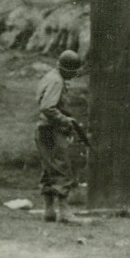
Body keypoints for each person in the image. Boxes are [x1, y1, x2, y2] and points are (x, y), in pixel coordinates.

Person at [36, 49, 91, 223]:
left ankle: (49, 210)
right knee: (61, 167)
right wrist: (65, 121)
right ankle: (64, 212)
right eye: (74, 71)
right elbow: (48, 107)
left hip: (44, 128)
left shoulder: (50, 77)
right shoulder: (57, 81)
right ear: (68, 69)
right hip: (52, 129)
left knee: (48, 168)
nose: (75, 75)